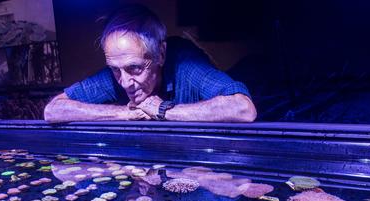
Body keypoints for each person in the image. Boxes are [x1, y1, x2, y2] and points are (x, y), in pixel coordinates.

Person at [44, 4, 256, 123]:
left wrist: (163, 110)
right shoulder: (118, 75)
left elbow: (243, 108)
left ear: (160, 55)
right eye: (115, 70)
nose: (125, 83)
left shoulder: (185, 63)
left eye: (135, 68)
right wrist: (125, 113)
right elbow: (53, 110)